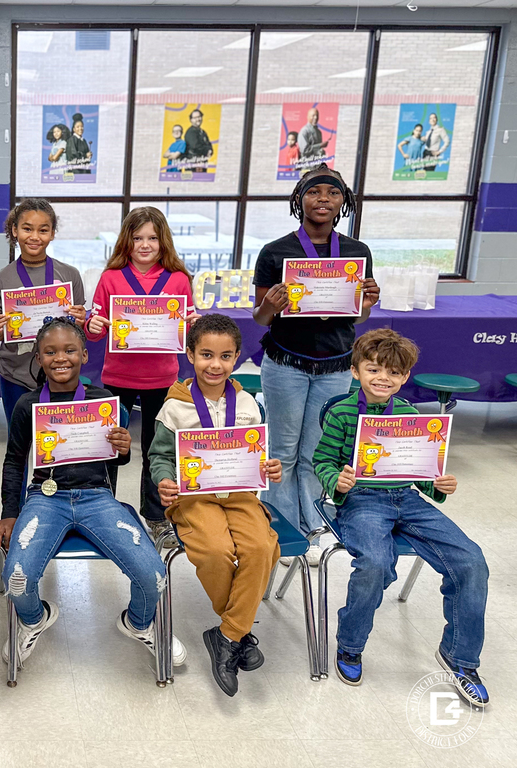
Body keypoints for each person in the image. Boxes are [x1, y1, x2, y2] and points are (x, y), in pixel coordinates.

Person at [0, 318, 184, 669]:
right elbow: (14, 462)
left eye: (69, 350)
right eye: (50, 351)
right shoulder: (27, 405)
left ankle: (138, 624)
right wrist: (10, 513)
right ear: (38, 357)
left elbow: (115, 461)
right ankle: (34, 619)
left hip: (97, 498)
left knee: (155, 575)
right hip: (46, 498)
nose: (60, 358)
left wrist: (123, 448)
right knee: (16, 579)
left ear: (84, 354)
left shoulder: (103, 399)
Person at [312, 328, 489, 706]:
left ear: (405, 377)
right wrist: (337, 481)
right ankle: (350, 646)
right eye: (373, 369)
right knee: (375, 563)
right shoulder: (342, 413)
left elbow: (421, 471)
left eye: (393, 373)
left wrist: (438, 483)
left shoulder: (409, 414)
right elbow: (322, 461)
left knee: (472, 560)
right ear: (356, 370)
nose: (383, 378)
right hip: (360, 500)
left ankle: (461, 658)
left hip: (406, 499)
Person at [148, 314, 283, 696]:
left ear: (237, 358)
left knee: (261, 547)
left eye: (225, 356)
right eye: (206, 354)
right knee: (216, 551)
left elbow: (258, 453)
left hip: (240, 495)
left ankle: (227, 634)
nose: (215, 364)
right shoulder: (175, 406)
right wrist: (164, 479)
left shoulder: (246, 404)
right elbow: (158, 456)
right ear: (190, 354)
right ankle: (238, 631)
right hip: (193, 497)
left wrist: (270, 465)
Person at [251, 164, 380, 563]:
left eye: (333, 193)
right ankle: (281, 523)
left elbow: (357, 320)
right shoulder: (276, 252)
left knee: (316, 451)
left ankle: (312, 523)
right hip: (285, 363)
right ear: (299, 199)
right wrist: (269, 306)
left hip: (337, 365)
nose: (323, 199)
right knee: (282, 451)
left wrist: (368, 304)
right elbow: (259, 318)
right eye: (314, 192)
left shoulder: (357, 252)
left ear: (344, 201)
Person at [85, 206, 196, 544]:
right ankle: (103, 508)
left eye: (152, 238)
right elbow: (93, 333)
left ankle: (156, 516)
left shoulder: (178, 279)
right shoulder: (111, 277)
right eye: (137, 238)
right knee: (110, 446)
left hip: (162, 378)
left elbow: (190, 330)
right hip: (118, 376)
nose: (145, 245)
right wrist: (92, 325)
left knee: (156, 449)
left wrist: (193, 326)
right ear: (126, 241)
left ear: (163, 241)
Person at [0, 199, 87, 429]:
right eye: (27, 228)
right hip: (15, 375)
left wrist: (81, 321)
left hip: (60, 373)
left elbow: (79, 332)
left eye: (43, 230)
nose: (34, 236)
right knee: (18, 444)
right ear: (14, 230)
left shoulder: (70, 275)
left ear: (52, 234)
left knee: (59, 441)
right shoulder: (0, 280)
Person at [183, 109, 213, 173]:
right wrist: (207, 150)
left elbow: (209, 144)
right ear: (191, 120)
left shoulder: (202, 132)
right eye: (195, 118)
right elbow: (195, 146)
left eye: (199, 117)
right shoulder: (191, 132)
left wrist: (210, 150)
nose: (198, 119)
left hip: (202, 163)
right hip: (193, 164)